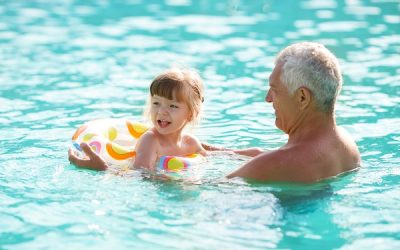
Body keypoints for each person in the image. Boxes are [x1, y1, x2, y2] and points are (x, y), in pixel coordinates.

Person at [204, 42, 361, 183]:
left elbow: (208, 190)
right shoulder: (347, 146)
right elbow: (288, 160)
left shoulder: (271, 165)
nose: (268, 98)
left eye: (275, 89)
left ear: (302, 98)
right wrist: (215, 151)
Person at [68, 68, 207, 170]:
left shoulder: (190, 142)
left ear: (190, 114)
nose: (162, 111)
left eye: (172, 106)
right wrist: (103, 169)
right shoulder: (151, 141)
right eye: (156, 103)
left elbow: (207, 157)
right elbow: (141, 176)